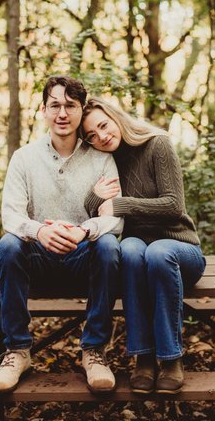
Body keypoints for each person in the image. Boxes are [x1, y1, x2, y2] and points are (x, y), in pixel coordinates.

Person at [0, 77, 123, 395]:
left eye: (70, 106)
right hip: (38, 258)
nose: (63, 113)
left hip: (82, 258)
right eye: (55, 105)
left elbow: (114, 219)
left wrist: (83, 231)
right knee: (8, 244)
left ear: (80, 110)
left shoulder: (102, 159)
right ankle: (17, 352)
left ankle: (94, 352)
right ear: (44, 110)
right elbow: (11, 216)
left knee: (108, 245)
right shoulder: (24, 158)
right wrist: (41, 231)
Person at [81, 97, 205, 395]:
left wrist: (120, 204)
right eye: (91, 136)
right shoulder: (105, 161)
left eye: (103, 125)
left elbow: (174, 206)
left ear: (115, 117)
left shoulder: (157, 144)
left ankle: (171, 357)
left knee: (158, 252)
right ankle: (144, 357)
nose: (102, 137)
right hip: (140, 247)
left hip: (180, 247)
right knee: (131, 250)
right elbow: (94, 210)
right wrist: (95, 197)